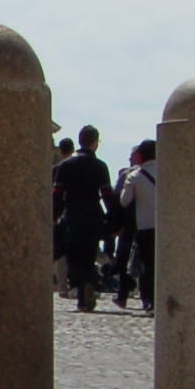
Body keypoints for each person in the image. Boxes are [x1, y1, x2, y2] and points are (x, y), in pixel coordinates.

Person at [52, 125, 113, 313]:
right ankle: (89, 286)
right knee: (88, 255)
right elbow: (107, 195)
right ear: (94, 143)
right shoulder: (100, 166)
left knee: (73, 257)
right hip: (93, 213)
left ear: (80, 141)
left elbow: (57, 195)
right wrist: (113, 219)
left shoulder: (65, 166)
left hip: (73, 214)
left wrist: (53, 217)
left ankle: (83, 291)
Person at [117, 140, 158, 310]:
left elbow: (124, 201)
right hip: (166, 228)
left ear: (140, 156)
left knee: (147, 265)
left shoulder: (134, 176)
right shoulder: (171, 170)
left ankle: (149, 300)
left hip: (145, 226)